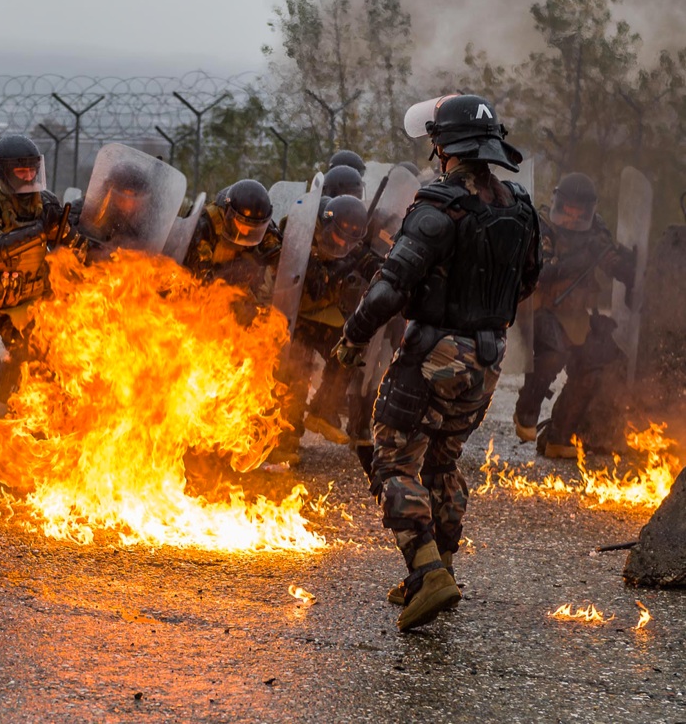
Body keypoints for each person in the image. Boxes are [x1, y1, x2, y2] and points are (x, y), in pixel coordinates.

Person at [335, 94, 541, 631]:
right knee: (442, 463)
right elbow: (527, 282)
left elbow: (389, 289)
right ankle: (440, 567)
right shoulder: (518, 205)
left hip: (433, 355)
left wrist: (353, 338)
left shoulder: (437, 207)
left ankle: (427, 574)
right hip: (489, 358)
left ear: (445, 147)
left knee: (393, 461)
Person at [512, 172, 634, 457]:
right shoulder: (540, 227)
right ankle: (526, 411)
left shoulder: (596, 231)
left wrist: (624, 268)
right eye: (568, 208)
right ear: (559, 202)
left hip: (575, 316)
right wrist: (582, 258)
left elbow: (609, 261)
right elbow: (541, 272)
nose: (573, 215)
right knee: (555, 350)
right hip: (537, 308)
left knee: (598, 362)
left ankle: (559, 437)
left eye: (579, 210)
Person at [0, 134, 81, 401]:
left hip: (34, 299)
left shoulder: (45, 202)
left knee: (46, 361)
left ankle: (25, 412)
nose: (29, 176)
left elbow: (71, 242)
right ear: (2, 171)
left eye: (32, 169)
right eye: (21, 170)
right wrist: (37, 231)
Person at [276, 195, 375, 464]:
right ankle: (286, 437)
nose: (341, 245)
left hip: (324, 314)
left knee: (349, 348)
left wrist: (384, 272)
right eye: (338, 238)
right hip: (292, 310)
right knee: (294, 370)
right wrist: (316, 269)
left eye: (348, 242)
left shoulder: (352, 243)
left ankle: (324, 410)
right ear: (325, 224)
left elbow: (369, 261)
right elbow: (280, 262)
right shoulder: (298, 230)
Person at [182, 178, 281, 301]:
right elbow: (200, 280)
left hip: (244, 294)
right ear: (229, 214)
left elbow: (278, 253)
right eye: (242, 225)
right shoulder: (206, 226)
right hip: (206, 295)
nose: (246, 232)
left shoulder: (262, 223)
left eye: (253, 228)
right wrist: (233, 272)